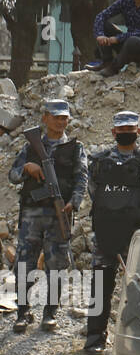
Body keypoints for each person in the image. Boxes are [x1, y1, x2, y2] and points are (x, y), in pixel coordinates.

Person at [82, 111, 140, 355]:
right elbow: (93, 192)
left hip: (137, 235)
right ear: (113, 133)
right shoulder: (99, 161)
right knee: (100, 287)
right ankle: (94, 338)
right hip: (106, 234)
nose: (126, 133)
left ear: (138, 131)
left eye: (130, 129)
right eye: (121, 130)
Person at [8, 99, 87, 333]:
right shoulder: (30, 147)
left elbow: (81, 178)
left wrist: (74, 202)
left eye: (65, 118)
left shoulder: (75, 148)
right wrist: (26, 168)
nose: (61, 122)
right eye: (57, 117)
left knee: (57, 266)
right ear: (45, 118)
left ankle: (50, 314)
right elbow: (12, 175)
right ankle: (23, 313)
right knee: (25, 263)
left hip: (58, 214)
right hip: (32, 214)